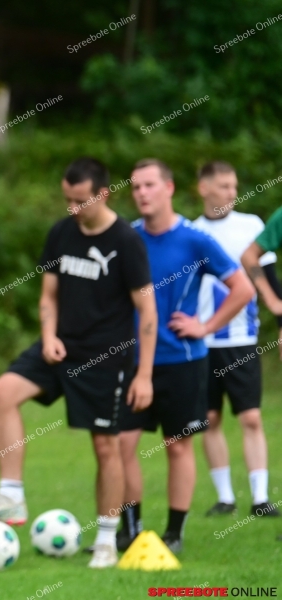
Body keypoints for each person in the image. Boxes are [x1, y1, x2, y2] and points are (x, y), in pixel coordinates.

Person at [0, 157, 157, 568]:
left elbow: (148, 312)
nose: (72, 208)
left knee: (107, 447)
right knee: (2, 392)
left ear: (102, 194)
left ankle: (105, 539)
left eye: (80, 201)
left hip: (106, 358)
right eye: (67, 199)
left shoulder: (126, 241)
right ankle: (11, 496)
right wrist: (48, 337)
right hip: (61, 347)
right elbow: (48, 296)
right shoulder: (62, 233)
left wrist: (144, 374)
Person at [118, 159, 253, 555]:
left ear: (169, 188)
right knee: (122, 445)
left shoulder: (195, 240)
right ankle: (131, 529)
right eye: (135, 187)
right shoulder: (127, 238)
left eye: (148, 185)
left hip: (183, 361)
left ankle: (173, 535)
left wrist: (205, 327)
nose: (141, 193)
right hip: (132, 361)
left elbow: (242, 288)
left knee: (177, 446)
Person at [192, 161, 280, 518]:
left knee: (251, 418)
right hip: (202, 342)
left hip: (241, 339)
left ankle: (260, 498)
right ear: (204, 188)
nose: (231, 193)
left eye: (234, 186)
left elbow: (269, 277)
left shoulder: (251, 227)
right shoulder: (191, 231)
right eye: (224, 186)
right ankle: (225, 496)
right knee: (209, 419)